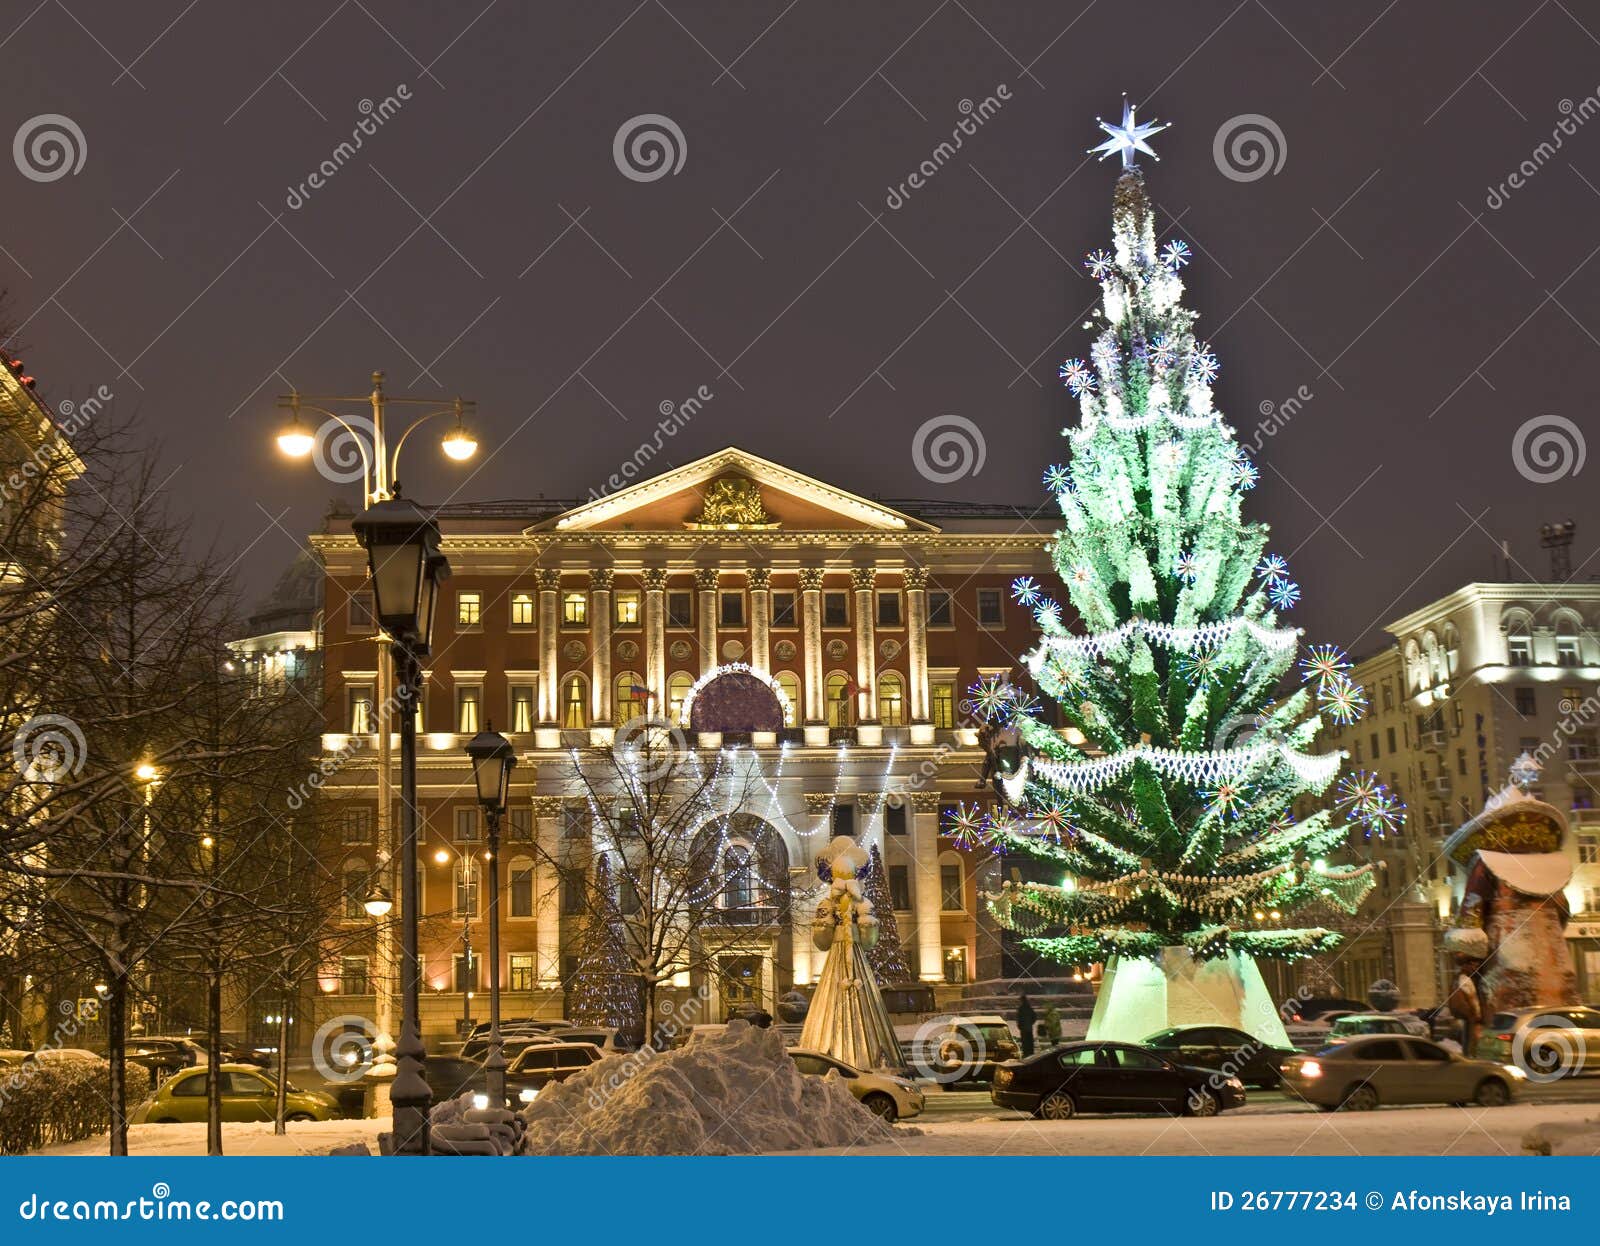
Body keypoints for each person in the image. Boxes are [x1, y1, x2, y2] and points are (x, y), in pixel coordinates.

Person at [1015, 992, 1037, 1059]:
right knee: (1030, 1042)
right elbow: (1034, 1017)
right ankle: (1031, 1054)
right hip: (1029, 1028)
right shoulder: (1029, 1007)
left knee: (1025, 1043)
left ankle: (1026, 1055)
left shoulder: (1020, 1008)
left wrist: (1020, 1026)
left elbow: (1019, 1018)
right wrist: (1030, 1023)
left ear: (1022, 1000)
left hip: (1023, 1029)